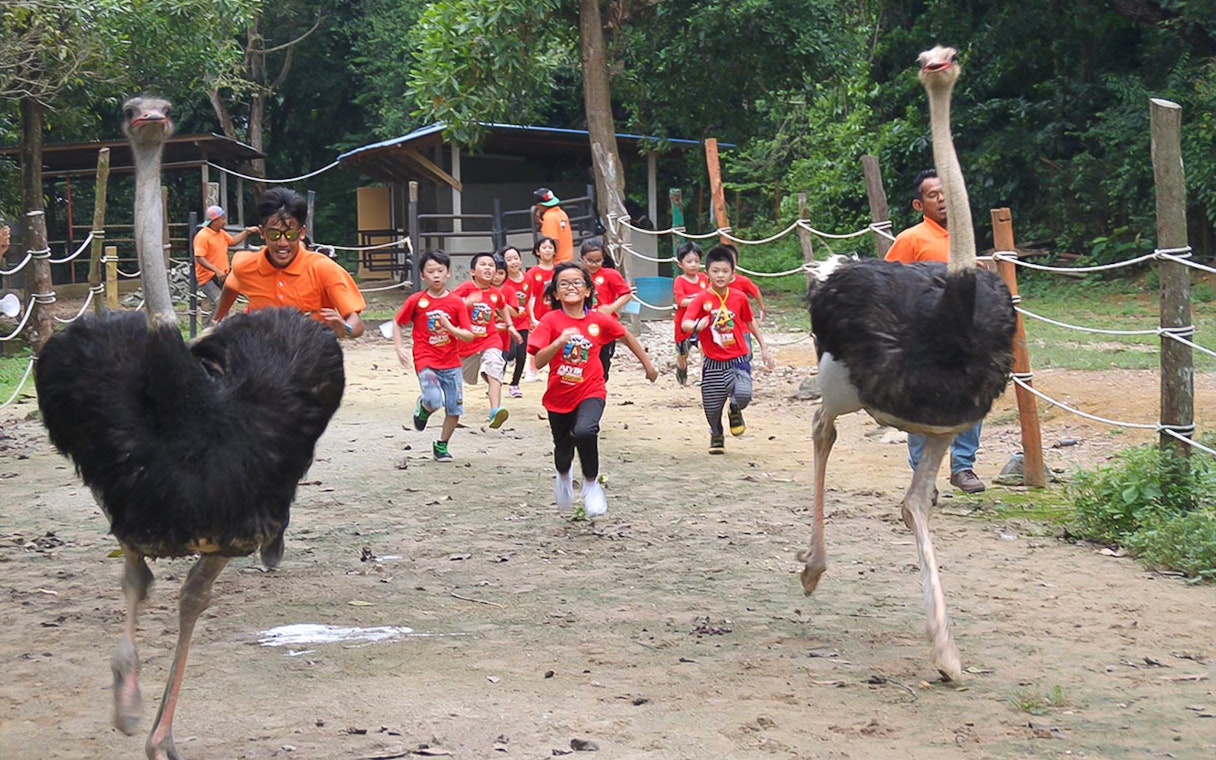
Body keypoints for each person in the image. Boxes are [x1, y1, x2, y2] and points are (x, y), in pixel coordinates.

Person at [529, 262, 658, 518]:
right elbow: (540, 360)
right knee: (563, 448)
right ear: (555, 293)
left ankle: (591, 484)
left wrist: (648, 366)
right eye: (563, 283)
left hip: (591, 390)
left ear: (588, 290)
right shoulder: (550, 320)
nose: (571, 287)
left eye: (577, 282)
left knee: (586, 431)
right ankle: (564, 476)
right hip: (558, 397)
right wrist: (559, 341)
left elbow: (626, 337)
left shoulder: (598, 319)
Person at [884, 168, 986, 493]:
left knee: (972, 394)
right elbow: (888, 281)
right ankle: (922, 478)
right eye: (933, 195)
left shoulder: (963, 234)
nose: (942, 200)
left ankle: (963, 466)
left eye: (945, 193)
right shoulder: (910, 239)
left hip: (962, 332)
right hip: (922, 335)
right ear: (919, 204)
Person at [210, 188, 366, 340]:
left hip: (310, 355)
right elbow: (230, 286)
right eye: (274, 234)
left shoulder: (323, 269)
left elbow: (356, 323)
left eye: (290, 234)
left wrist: (345, 329)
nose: (282, 242)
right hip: (263, 356)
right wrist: (215, 323)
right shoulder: (245, 265)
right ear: (263, 232)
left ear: (302, 232)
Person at [682, 245, 774, 454]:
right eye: (715, 271)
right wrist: (698, 326)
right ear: (708, 273)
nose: (720, 275)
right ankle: (716, 433)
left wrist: (764, 348)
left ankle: (734, 409)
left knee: (743, 394)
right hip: (713, 361)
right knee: (712, 406)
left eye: (725, 271)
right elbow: (685, 323)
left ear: (733, 274)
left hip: (738, 358)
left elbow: (750, 323)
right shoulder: (701, 299)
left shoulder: (739, 298)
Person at [393, 250, 475, 462]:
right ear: (422, 276)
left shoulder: (456, 303)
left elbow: (468, 335)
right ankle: (424, 407)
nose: (436, 275)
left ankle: (441, 445)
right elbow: (397, 322)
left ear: (448, 273)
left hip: (451, 362)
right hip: (426, 359)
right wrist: (399, 347)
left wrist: (450, 328)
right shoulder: (416, 300)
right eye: (431, 271)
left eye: (440, 270)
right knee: (434, 399)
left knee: (454, 409)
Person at [453, 252, 520, 429]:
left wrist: (510, 326)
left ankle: (495, 410)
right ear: (473, 271)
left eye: (491, 265)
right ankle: (449, 406)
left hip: (490, 340)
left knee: (494, 366)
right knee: (455, 377)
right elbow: (450, 305)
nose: (489, 268)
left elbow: (502, 306)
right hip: (465, 345)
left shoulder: (495, 293)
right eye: (483, 264)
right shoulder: (466, 287)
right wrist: (467, 303)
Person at [580, 237, 633, 381]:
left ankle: (599, 387)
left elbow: (627, 294)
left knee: (604, 360)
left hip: (605, 326)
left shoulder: (610, 274)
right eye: (589, 260)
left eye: (598, 260)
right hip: (583, 324)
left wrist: (611, 307)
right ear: (582, 258)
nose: (593, 264)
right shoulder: (577, 275)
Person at [193, 205, 257, 308]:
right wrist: (216, 270)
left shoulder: (220, 233)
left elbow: (232, 241)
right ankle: (212, 324)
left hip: (221, 276)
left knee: (225, 304)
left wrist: (247, 231)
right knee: (220, 303)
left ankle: (218, 323)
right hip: (208, 278)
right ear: (215, 221)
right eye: (222, 219)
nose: (224, 222)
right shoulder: (203, 236)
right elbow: (199, 257)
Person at [672, 241, 708, 386]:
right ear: (680, 264)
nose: (693, 264)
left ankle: (706, 378)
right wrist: (699, 299)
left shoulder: (705, 279)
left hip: (702, 322)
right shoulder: (679, 281)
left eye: (696, 261)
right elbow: (681, 301)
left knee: (704, 349)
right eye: (689, 261)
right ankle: (681, 367)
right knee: (682, 353)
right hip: (684, 323)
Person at [524, 236, 559, 381]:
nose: (548, 250)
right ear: (538, 252)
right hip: (539, 315)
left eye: (550, 247)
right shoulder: (532, 272)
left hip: (557, 313)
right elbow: (529, 298)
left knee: (557, 344)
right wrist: (531, 318)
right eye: (544, 247)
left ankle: (556, 370)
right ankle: (531, 370)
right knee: (536, 343)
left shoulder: (559, 271)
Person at [498, 245, 531, 398]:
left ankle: (514, 384)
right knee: (509, 353)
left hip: (523, 322)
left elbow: (530, 300)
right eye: (509, 259)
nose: (513, 262)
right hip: (506, 323)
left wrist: (533, 319)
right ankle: (495, 381)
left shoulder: (528, 279)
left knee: (522, 355)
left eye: (516, 258)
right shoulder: (502, 282)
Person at [534, 188, 574, 264]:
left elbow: (554, 241)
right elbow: (557, 230)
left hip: (557, 261)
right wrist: (542, 223)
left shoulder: (549, 217)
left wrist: (549, 261)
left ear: (540, 205)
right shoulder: (561, 213)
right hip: (567, 258)